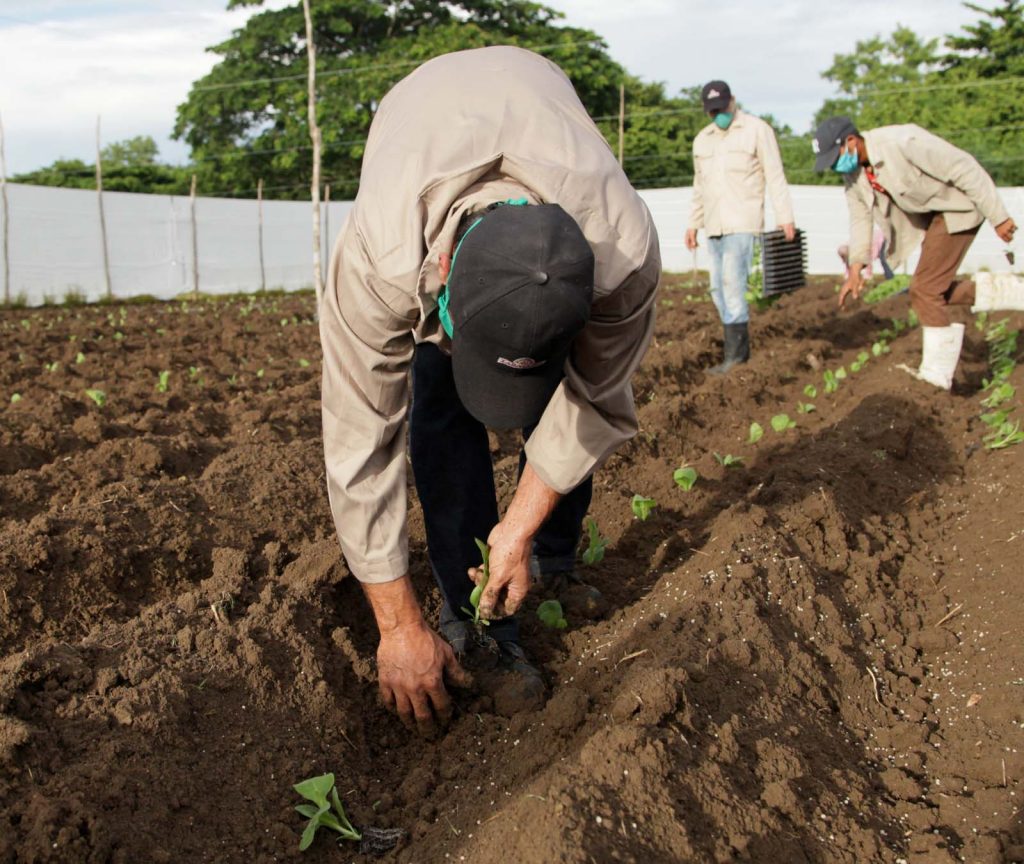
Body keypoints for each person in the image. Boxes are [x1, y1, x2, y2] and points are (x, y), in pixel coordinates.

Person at [319, 46, 661, 733]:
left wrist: (522, 526)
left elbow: (592, 397)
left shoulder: (621, 252)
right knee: (440, 408)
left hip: (541, 109)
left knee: (562, 405)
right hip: (420, 123)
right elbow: (361, 449)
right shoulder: (381, 260)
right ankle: (468, 616)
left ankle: (553, 558)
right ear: (441, 274)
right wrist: (397, 626)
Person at [813, 116, 1021, 389]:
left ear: (851, 141)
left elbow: (963, 167)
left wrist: (998, 216)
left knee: (924, 290)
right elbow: (860, 218)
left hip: (959, 209)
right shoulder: (853, 176)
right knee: (935, 289)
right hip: (935, 218)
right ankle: (1016, 292)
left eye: (834, 157)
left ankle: (936, 377)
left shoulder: (901, 141)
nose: (834, 166)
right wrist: (855, 268)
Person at [684, 80, 797, 374]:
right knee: (717, 289)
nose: (718, 115)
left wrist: (785, 217)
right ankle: (733, 351)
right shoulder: (702, 140)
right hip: (714, 225)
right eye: (712, 111)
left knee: (733, 286)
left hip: (743, 222)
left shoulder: (757, 130)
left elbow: (775, 175)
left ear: (732, 101)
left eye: (722, 108)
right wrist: (693, 223)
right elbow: (700, 185)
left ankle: (737, 358)